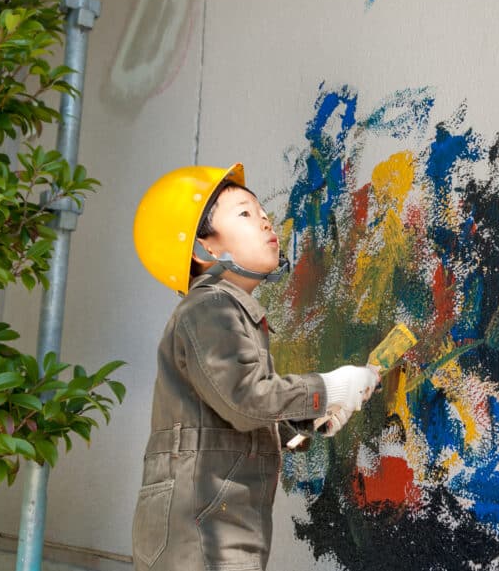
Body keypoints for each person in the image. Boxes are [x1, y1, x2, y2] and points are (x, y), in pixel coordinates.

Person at [130, 163, 379, 571]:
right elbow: (245, 400)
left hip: (210, 527)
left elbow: (225, 418)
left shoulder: (226, 311)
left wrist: (305, 422)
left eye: (262, 211)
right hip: (202, 534)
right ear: (204, 249)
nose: (265, 220)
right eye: (245, 213)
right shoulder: (211, 306)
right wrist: (329, 388)